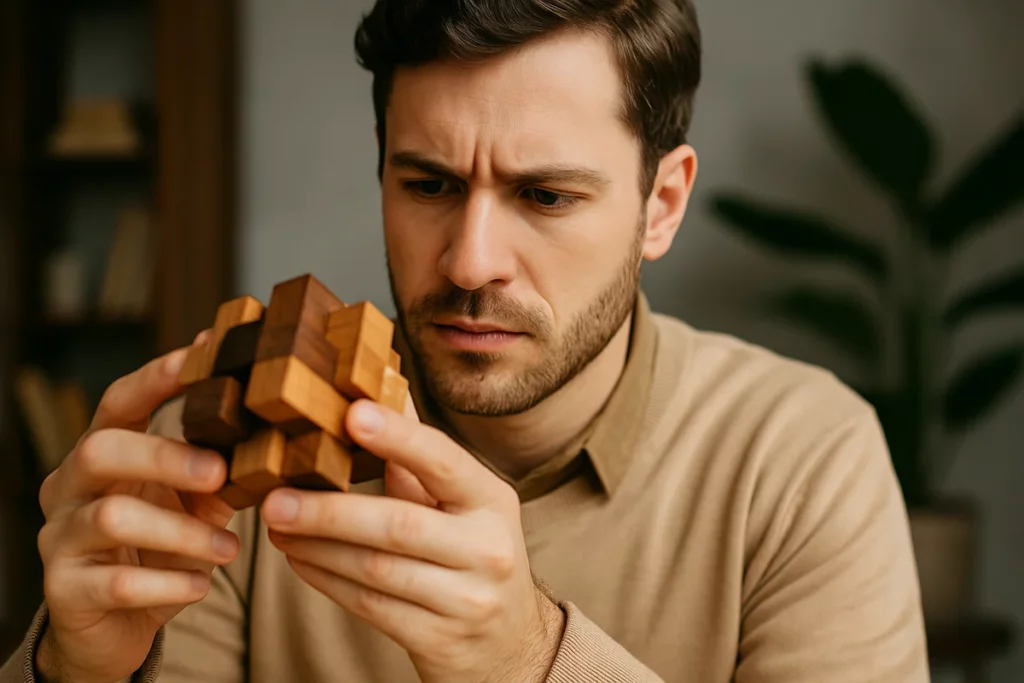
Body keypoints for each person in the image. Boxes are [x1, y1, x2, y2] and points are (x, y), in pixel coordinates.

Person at [1, 0, 930, 681]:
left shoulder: (806, 457)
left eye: (546, 195)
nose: (471, 261)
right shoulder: (228, 443)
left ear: (662, 204)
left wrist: (527, 659)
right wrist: (77, 671)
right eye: (430, 185)